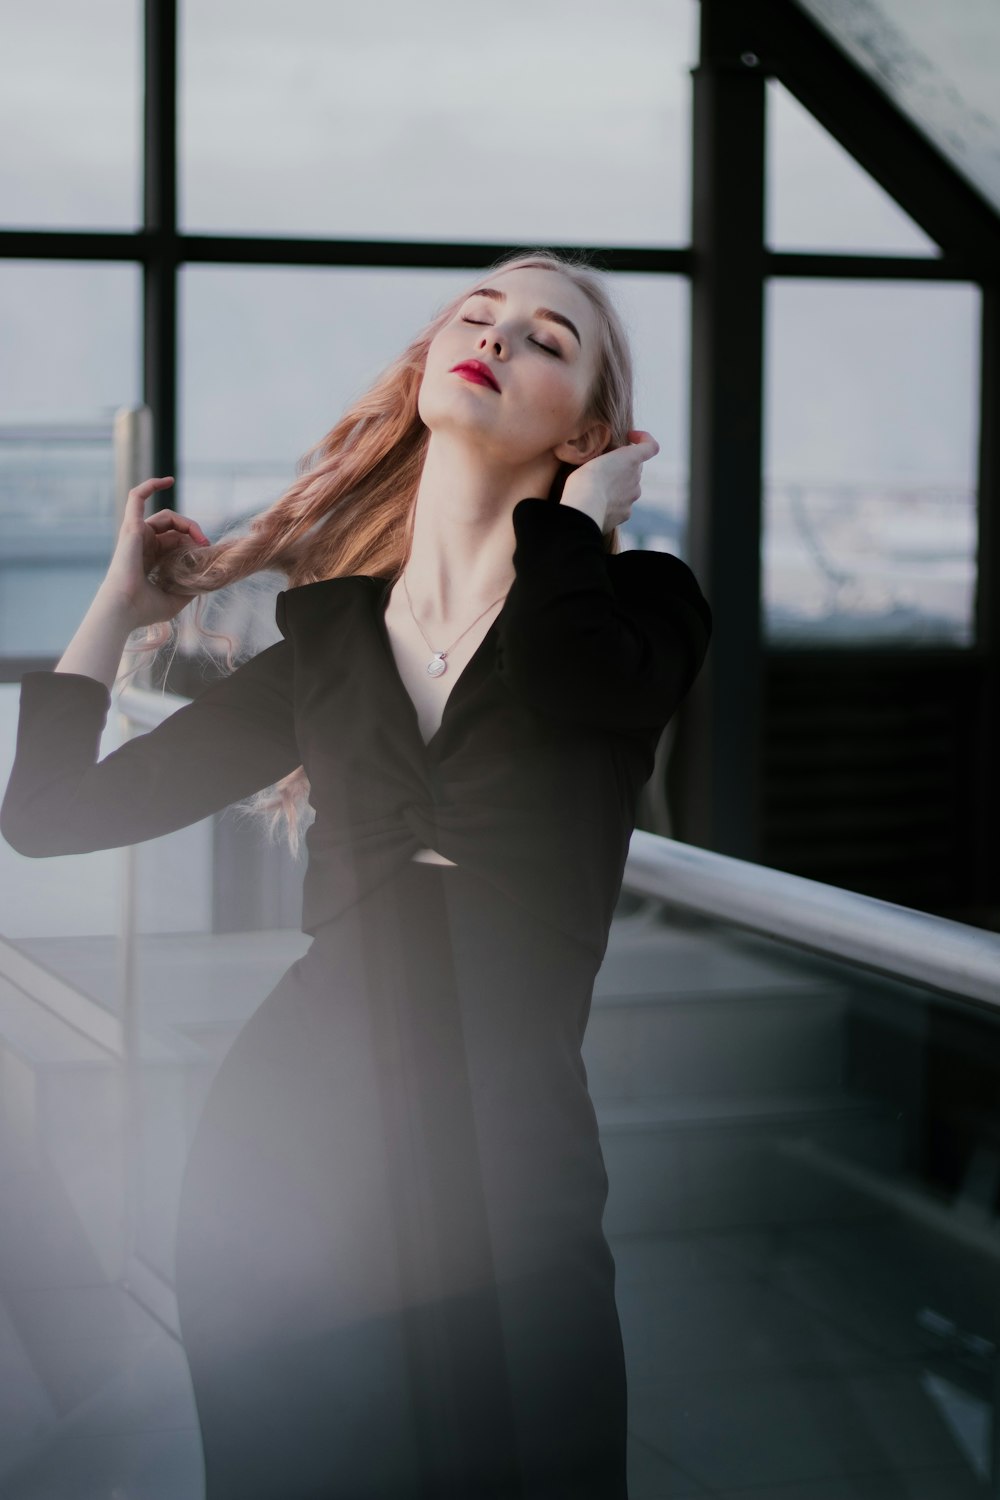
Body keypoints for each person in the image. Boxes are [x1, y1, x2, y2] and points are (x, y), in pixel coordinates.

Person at [1, 248, 712, 1499]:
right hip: (288, 1150)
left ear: (592, 431)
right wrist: (117, 603)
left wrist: (578, 521)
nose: (498, 337)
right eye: (478, 316)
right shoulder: (329, 640)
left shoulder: (637, 604)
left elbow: (567, 680)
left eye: (549, 340)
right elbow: (49, 820)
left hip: (510, 1159)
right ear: (428, 364)